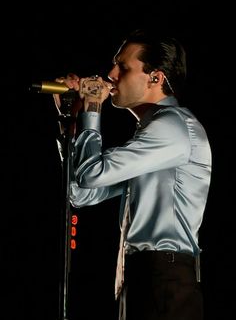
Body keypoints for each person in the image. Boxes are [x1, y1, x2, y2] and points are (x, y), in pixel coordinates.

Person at [54, 29, 212, 320]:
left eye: (123, 67)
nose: (111, 74)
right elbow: (80, 192)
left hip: (164, 278)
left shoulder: (173, 127)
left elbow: (91, 176)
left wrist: (92, 107)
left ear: (156, 77)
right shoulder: (150, 136)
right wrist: (72, 120)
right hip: (139, 278)